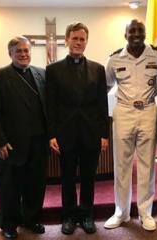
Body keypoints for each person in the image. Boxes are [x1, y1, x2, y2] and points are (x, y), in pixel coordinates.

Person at [46, 22, 109, 235]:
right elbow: (50, 105)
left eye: (82, 39)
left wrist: (104, 134)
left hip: (91, 133)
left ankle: (87, 215)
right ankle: (69, 216)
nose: (78, 42)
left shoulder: (98, 69)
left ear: (86, 42)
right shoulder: (53, 70)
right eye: (75, 38)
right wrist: (52, 133)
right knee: (68, 178)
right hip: (66, 133)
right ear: (67, 40)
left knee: (89, 178)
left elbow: (102, 104)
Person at [0, 36, 48, 239]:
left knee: (36, 183)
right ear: (10, 53)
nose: (23, 54)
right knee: (9, 186)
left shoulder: (41, 74)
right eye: (18, 51)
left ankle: (31, 218)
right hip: (11, 143)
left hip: (38, 140)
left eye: (26, 51)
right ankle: (8, 224)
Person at [104, 19, 157, 231]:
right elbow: (106, 85)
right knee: (121, 164)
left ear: (145, 32)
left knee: (147, 164)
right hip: (124, 112)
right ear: (125, 35)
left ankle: (145, 213)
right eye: (132, 31)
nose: (136, 34)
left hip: (148, 111)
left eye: (140, 30)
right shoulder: (114, 59)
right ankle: (121, 212)